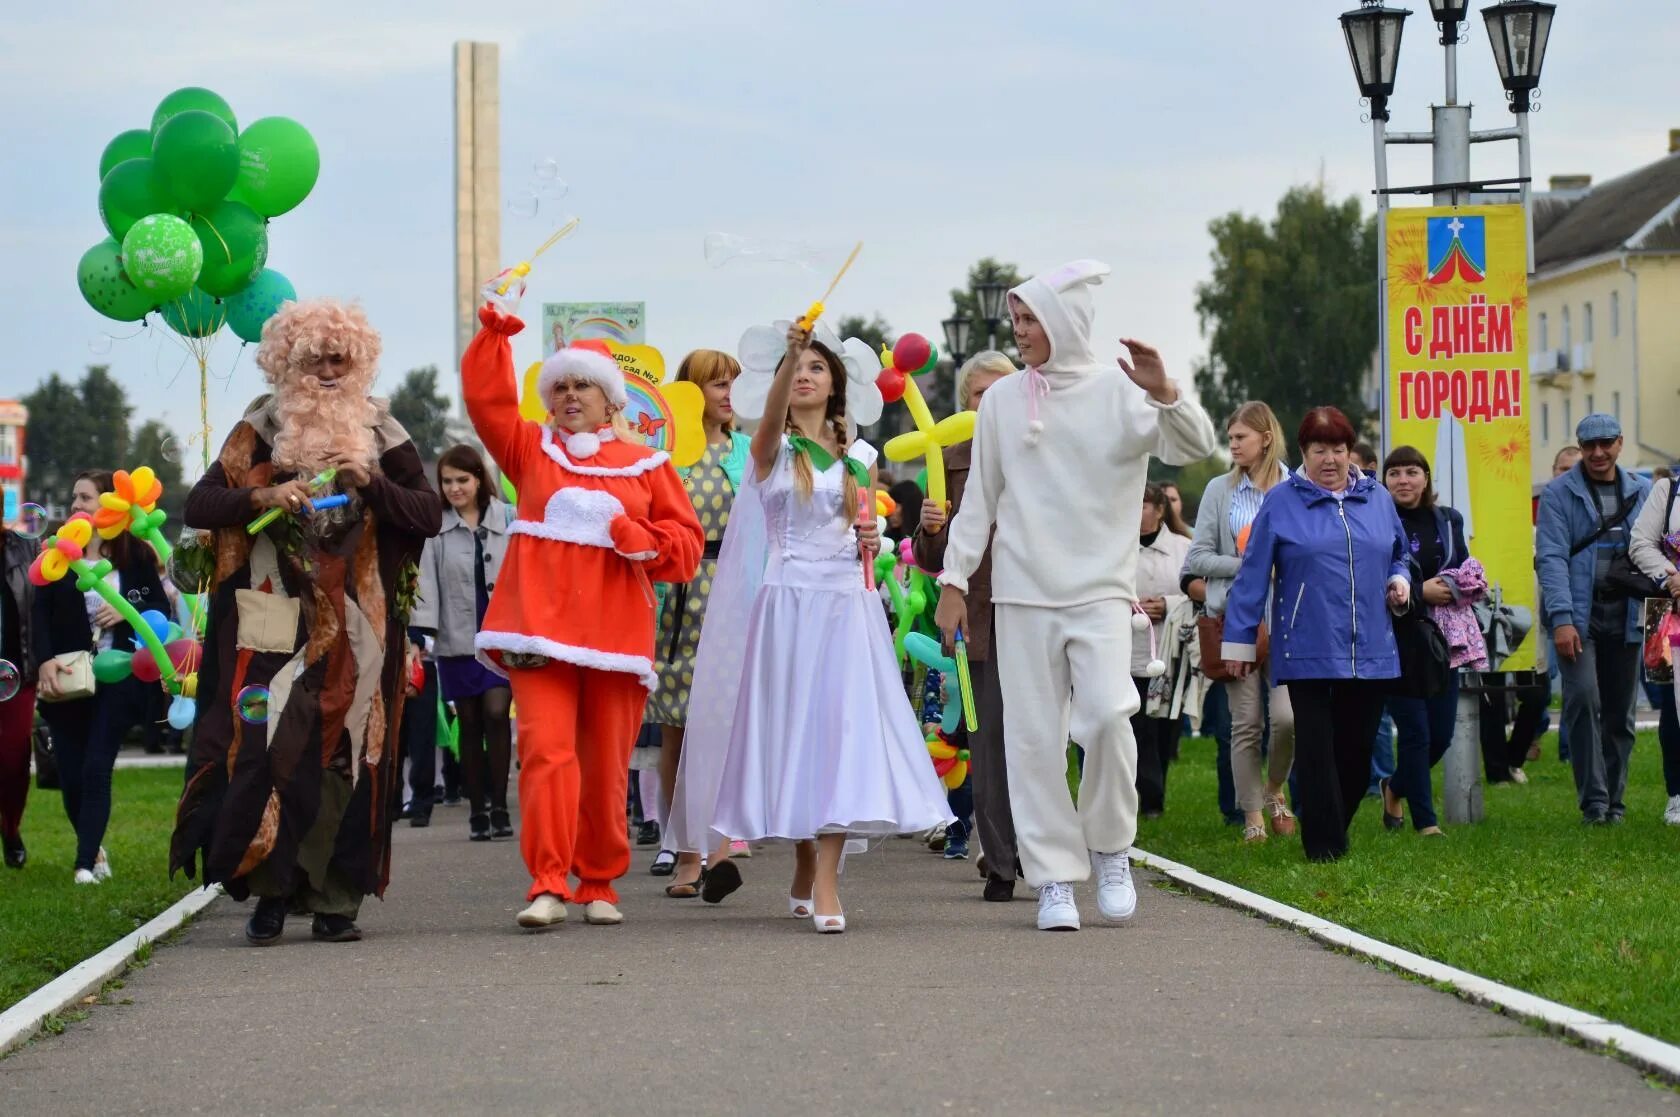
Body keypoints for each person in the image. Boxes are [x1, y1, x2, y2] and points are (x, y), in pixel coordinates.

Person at [934, 259, 1218, 932]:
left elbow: (1196, 444)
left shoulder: (1120, 393)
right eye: (1017, 320)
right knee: (1033, 741)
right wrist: (953, 578)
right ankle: (1055, 878)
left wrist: (1166, 391)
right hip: (1022, 594)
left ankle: (1112, 849)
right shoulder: (1002, 400)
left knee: (1108, 720)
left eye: (1031, 320)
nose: (1021, 332)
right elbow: (981, 498)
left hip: (1098, 591)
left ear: (1065, 323)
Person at [170, 299, 443, 945]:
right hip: (274, 616)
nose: (326, 368)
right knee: (269, 749)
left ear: (359, 363)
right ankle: (270, 893)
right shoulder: (262, 424)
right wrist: (262, 493)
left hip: (360, 623)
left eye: (338, 358)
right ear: (286, 360)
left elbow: (427, 513)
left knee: (350, 753)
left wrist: (372, 483)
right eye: (314, 356)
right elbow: (201, 502)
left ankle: (335, 900)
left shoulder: (383, 430)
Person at [668, 317, 952, 933]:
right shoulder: (774, 450)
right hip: (788, 606)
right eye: (795, 370)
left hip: (847, 606)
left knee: (841, 733)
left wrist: (868, 538)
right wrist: (790, 354)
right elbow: (767, 426)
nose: (804, 376)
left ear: (836, 385)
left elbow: (857, 536)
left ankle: (825, 877)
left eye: (816, 368)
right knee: (795, 736)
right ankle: (802, 861)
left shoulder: (860, 457)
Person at [462, 300, 702, 929]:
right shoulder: (529, 449)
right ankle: (546, 882)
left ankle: (598, 881)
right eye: (559, 386)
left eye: (583, 385)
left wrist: (640, 536)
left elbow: (686, 546)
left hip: (615, 636)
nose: (569, 395)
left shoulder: (648, 465)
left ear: (611, 400)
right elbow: (487, 403)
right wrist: (495, 333)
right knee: (545, 752)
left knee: (603, 764)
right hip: (537, 629)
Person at [1223, 406, 1411, 863]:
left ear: (1351, 452)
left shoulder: (1378, 499)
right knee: (1316, 745)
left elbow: (1399, 554)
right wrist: (1240, 641)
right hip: (1305, 644)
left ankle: (1330, 826)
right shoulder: (1283, 502)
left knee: (1357, 749)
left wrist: (1400, 580)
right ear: (1303, 453)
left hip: (1370, 646)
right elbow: (1251, 576)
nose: (1330, 459)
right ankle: (1324, 849)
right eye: (1319, 450)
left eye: (1339, 449)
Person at [646, 349, 749, 899]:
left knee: (728, 728)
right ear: (690, 392)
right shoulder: (669, 454)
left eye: (734, 382)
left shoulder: (748, 452)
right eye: (716, 384)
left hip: (733, 596)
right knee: (677, 731)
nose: (728, 393)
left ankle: (720, 847)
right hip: (678, 597)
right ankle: (684, 848)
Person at [915, 351, 1018, 900]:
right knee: (987, 740)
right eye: (980, 395)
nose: (991, 403)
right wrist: (931, 529)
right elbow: (933, 560)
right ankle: (1000, 859)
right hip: (974, 618)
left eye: (1002, 389)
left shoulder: (1037, 448)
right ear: (965, 404)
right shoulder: (946, 458)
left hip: (1035, 608)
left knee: (1036, 737)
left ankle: (1036, 847)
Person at [35, 470, 166, 884]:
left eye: (85, 498)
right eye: (74, 498)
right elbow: (37, 615)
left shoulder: (138, 556)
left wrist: (126, 606)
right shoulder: (57, 556)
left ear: (108, 504)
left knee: (95, 768)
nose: (76, 506)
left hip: (119, 675)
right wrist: (43, 662)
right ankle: (95, 850)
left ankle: (84, 863)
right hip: (69, 677)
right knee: (71, 775)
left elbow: (158, 606)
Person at [1184, 401, 1295, 844]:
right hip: (1235, 621)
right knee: (1245, 723)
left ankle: (1274, 788)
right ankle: (1253, 818)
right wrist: (1248, 563)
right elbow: (1197, 559)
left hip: (1287, 621)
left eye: (1240, 438)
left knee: (1288, 719)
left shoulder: (1295, 487)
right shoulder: (1219, 490)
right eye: (1229, 438)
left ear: (1266, 438)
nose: (1232, 446)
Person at [1536, 414, 1650, 825]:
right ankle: (1594, 803)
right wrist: (1563, 619)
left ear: (1619, 443)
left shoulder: (1643, 489)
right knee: (1583, 699)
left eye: (1605, 444)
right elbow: (1550, 559)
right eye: (1589, 446)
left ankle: (1614, 803)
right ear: (1580, 448)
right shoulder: (1557, 494)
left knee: (1620, 713)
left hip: (1628, 613)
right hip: (1578, 614)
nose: (1598, 453)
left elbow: (1661, 547)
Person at [412, 444, 514, 841]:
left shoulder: (509, 519)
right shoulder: (434, 530)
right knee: (468, 723)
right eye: (447, 481)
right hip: (456, 640)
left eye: (463, 480)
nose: (455, 488)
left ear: (479, 479)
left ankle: (501, 806)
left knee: (496, 713)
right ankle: (477, 812)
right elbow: (425, 583)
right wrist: (420, 635)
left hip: (501, 641)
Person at [1378, 446, 1478, 835]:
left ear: (1425, 478)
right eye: (1394, 473)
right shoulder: (1377, 522)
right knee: (1416, 734)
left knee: (1440, 736)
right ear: (1384, 481)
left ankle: (1395, 786)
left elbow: (1463, 569)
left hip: (1441, 641)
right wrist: (1420, 592)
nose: (1403, 480)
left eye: (1411, 472)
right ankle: (1426, 822)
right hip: (1394, 638)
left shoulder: (1448, 520)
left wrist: (1454, 587)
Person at [1627, 453, 1680, 825]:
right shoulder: (1668, 490)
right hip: (1673, 616)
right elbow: (1641, 543)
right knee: (1675, 709)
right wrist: (1670, 575)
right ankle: (1677, 794)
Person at [1132, 483, 1190, 817]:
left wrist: (1167, 606)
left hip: (1168, 652)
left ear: (1158, 509)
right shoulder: (1117, 547)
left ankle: (1155, 794)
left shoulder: (1182, 548)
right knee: (1137, 725)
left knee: (1164, 729)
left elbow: (1198, 591)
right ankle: (1145, 798)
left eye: (1142, 504)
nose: (1136, 511)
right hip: (1126, 651)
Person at [1, 523, 38, 868]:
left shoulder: (24, 547)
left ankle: (10, 829)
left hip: (15, 671)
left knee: (13, 761)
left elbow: (40, 604)